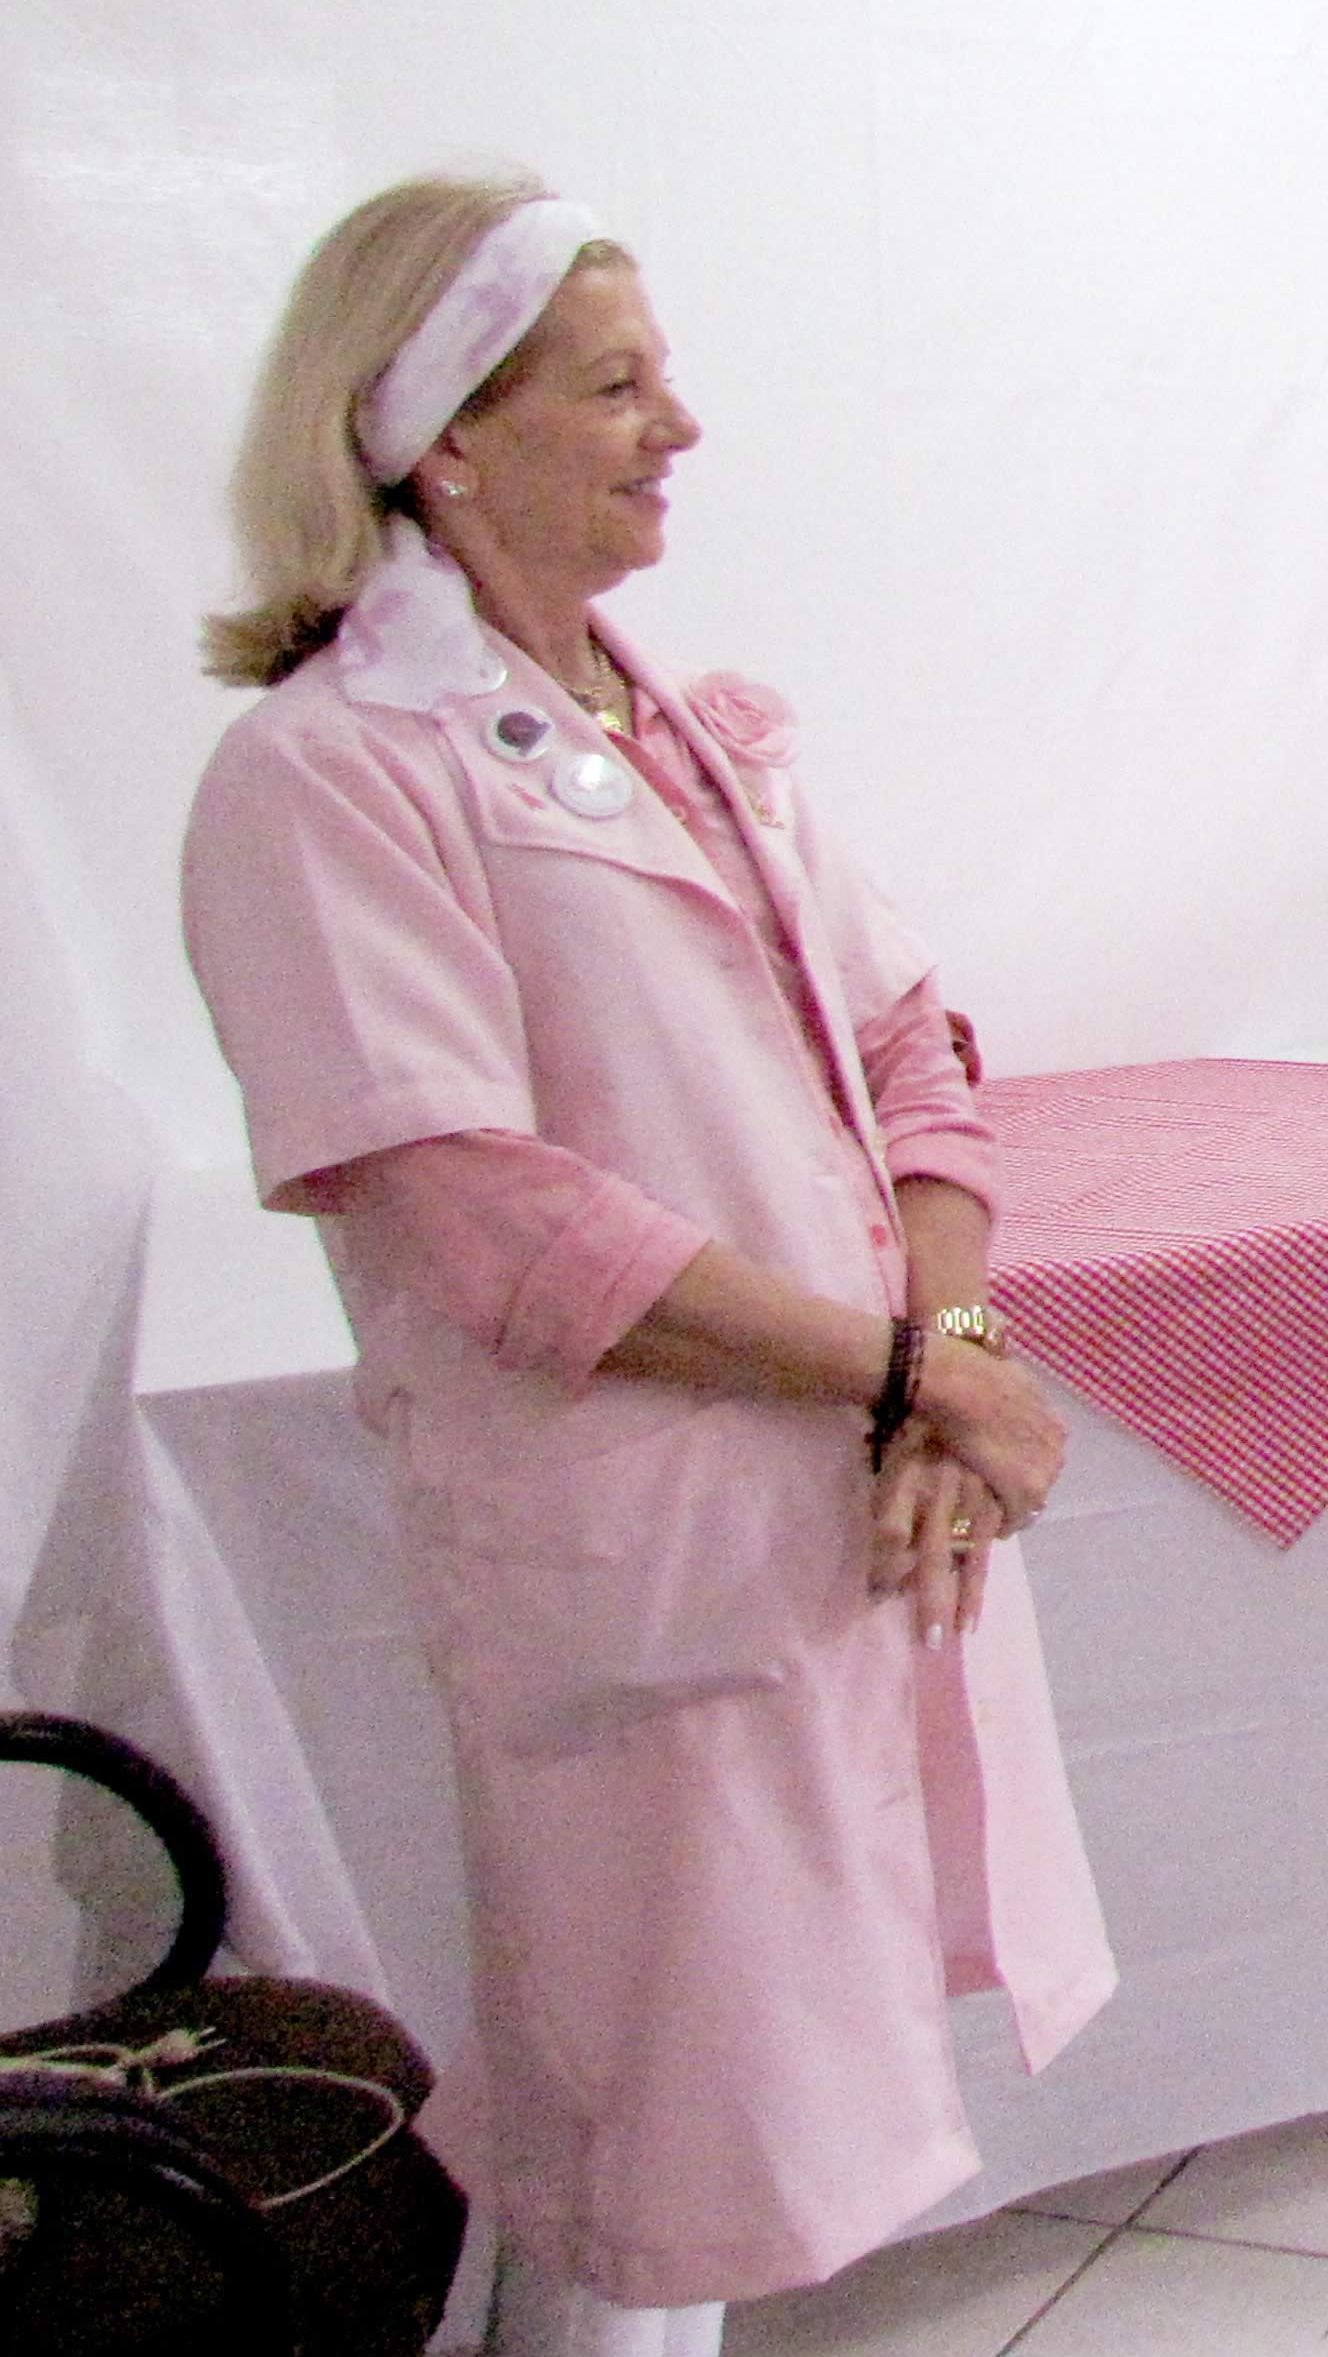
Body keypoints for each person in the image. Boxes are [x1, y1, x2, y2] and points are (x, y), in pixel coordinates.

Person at [178, 177, 1113, 2356]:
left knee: (718, 2155)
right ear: (439, 436)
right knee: (643, 2175)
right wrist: (902, 1376)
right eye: (618, 383)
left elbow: (915, 1047)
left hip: (829, 1503)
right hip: (644, 1558)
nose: (678, 425)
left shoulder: (693, 735)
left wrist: (942, 1352)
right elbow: (478, 1205)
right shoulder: (323, 776)